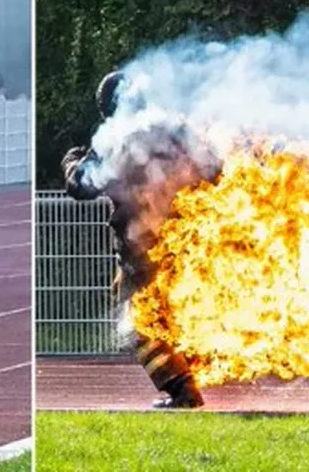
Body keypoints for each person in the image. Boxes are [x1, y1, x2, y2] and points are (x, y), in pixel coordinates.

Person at [60, 71, 208, 408]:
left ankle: (182, 390)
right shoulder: (175, 129)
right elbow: (214, 165)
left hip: (144, 250)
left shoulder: (118, 139)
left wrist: (71, 160)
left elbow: (82, 185)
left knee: (137, 320)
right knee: (171, 313)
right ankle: (192, 371)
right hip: (191, 241)